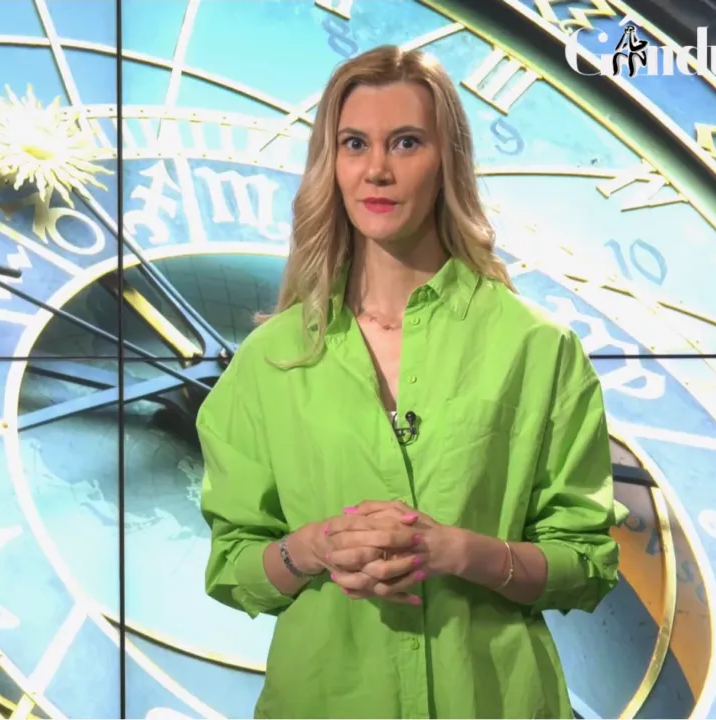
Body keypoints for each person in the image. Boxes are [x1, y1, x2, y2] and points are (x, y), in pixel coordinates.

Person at [196, 45, 620, 719]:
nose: (377, 170)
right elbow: (235, 567)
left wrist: (464, 553)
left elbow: (587, 563)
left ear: (447, 161)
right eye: (354, 144)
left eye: (406, 142)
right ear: (332, 164)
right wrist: (313, 547)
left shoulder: (537, 348)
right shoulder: (271, 359)